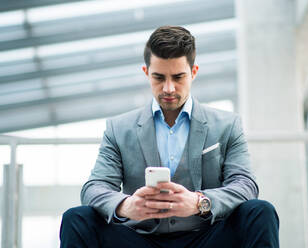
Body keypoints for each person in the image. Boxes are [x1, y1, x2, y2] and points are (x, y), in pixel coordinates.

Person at [60, 26, 279, 248]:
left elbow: (245, 185)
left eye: (178, 77)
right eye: (158, 77)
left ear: (193, 72)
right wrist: (125, 206)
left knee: (260, 212)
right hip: (140, 240)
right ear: (146, 73)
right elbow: (94, 187)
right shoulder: (118, 128)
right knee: (77, 219)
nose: (168, 88)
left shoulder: (227, 125)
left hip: (206, 238)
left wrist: (199, 202)